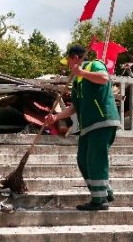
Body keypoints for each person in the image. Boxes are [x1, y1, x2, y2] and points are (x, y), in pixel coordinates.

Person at [46, 45, 120, 210]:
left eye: (68, 61)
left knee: (95, 159)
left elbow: (104, 78)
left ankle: (99, 200)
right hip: (87, 125)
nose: (67, 65)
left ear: (76, 58)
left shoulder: (94, 65)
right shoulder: (77, 82)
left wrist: (82, 72)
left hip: (102, 120)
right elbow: (74, 107)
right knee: (82, 160)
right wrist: (56, 117)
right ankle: (104, 191)